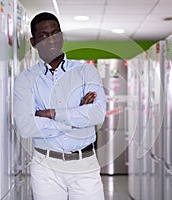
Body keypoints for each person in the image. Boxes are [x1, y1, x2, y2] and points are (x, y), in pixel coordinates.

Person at [13, 12, 106, 200]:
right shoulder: (26, 80)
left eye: (55, 33)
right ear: (33, 42)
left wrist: (50, 113)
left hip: (84, 166)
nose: (51, 40)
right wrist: (75, 118)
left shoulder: (85, 72)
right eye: (43, 35)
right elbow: (26, 126)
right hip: (46, 167)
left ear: (62, 36)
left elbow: (96, 115)